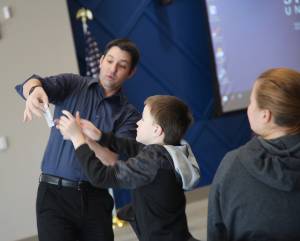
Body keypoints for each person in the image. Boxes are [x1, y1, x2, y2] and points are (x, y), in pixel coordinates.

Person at [15, 39, 141, 241]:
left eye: (122, 65)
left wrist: (82, 137)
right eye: (109, 61)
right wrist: (33, 91)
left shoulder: (129, 115)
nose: (113, 69)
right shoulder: (73, 84)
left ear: (131, 72)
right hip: (53, 195)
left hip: (95, 199)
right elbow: (32, 81)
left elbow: (110, 161)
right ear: (100, 61)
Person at [56, 95, 201, 241]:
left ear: (157, 130)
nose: (138, 123)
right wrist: (99, 136)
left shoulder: (154, 160)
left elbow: (101, 176)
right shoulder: (170, 152)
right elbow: (134, 147)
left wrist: (77, 139)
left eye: (143, 119)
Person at [207, 67, 300, 241]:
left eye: (251, 102)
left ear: (266, 115)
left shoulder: (232, 165)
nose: (249, 108)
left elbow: (216, 233)